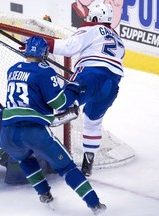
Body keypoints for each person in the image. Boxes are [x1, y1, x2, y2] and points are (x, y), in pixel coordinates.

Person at [0, 35, 106, 214]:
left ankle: (45, 194)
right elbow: (59, 103)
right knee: (66, 167)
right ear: (44, 52)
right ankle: (95, 204)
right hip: (33, 131)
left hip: (7, 133)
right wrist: (73, 87)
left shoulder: (12, 69)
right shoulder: (45, 70)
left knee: (24, 159)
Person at [46, 2, 125, 176]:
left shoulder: (93, 29)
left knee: (64, 96)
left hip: (91, 75)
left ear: (96, 18)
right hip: (111, 86)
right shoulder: (118, 40)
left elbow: (69, 47)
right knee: (93, 121)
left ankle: (68, 109)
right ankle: (87, 164)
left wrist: (45, 43)